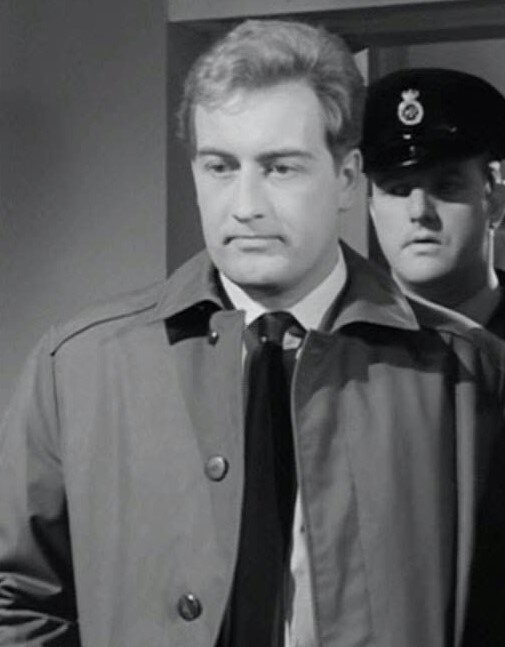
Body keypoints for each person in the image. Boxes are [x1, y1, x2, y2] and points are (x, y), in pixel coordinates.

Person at [1, 20, 505, 647]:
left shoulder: (469, 375)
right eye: (219, 166)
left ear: (347, 179)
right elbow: (16, 599)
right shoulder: (78, 367)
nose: (245, 206)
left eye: (280, 168)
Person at [361, 67, 505, 338]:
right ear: (373, 210)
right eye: (398, 190)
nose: (420, 211)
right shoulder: (333, 346)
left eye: (446, 187)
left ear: (495, 201)